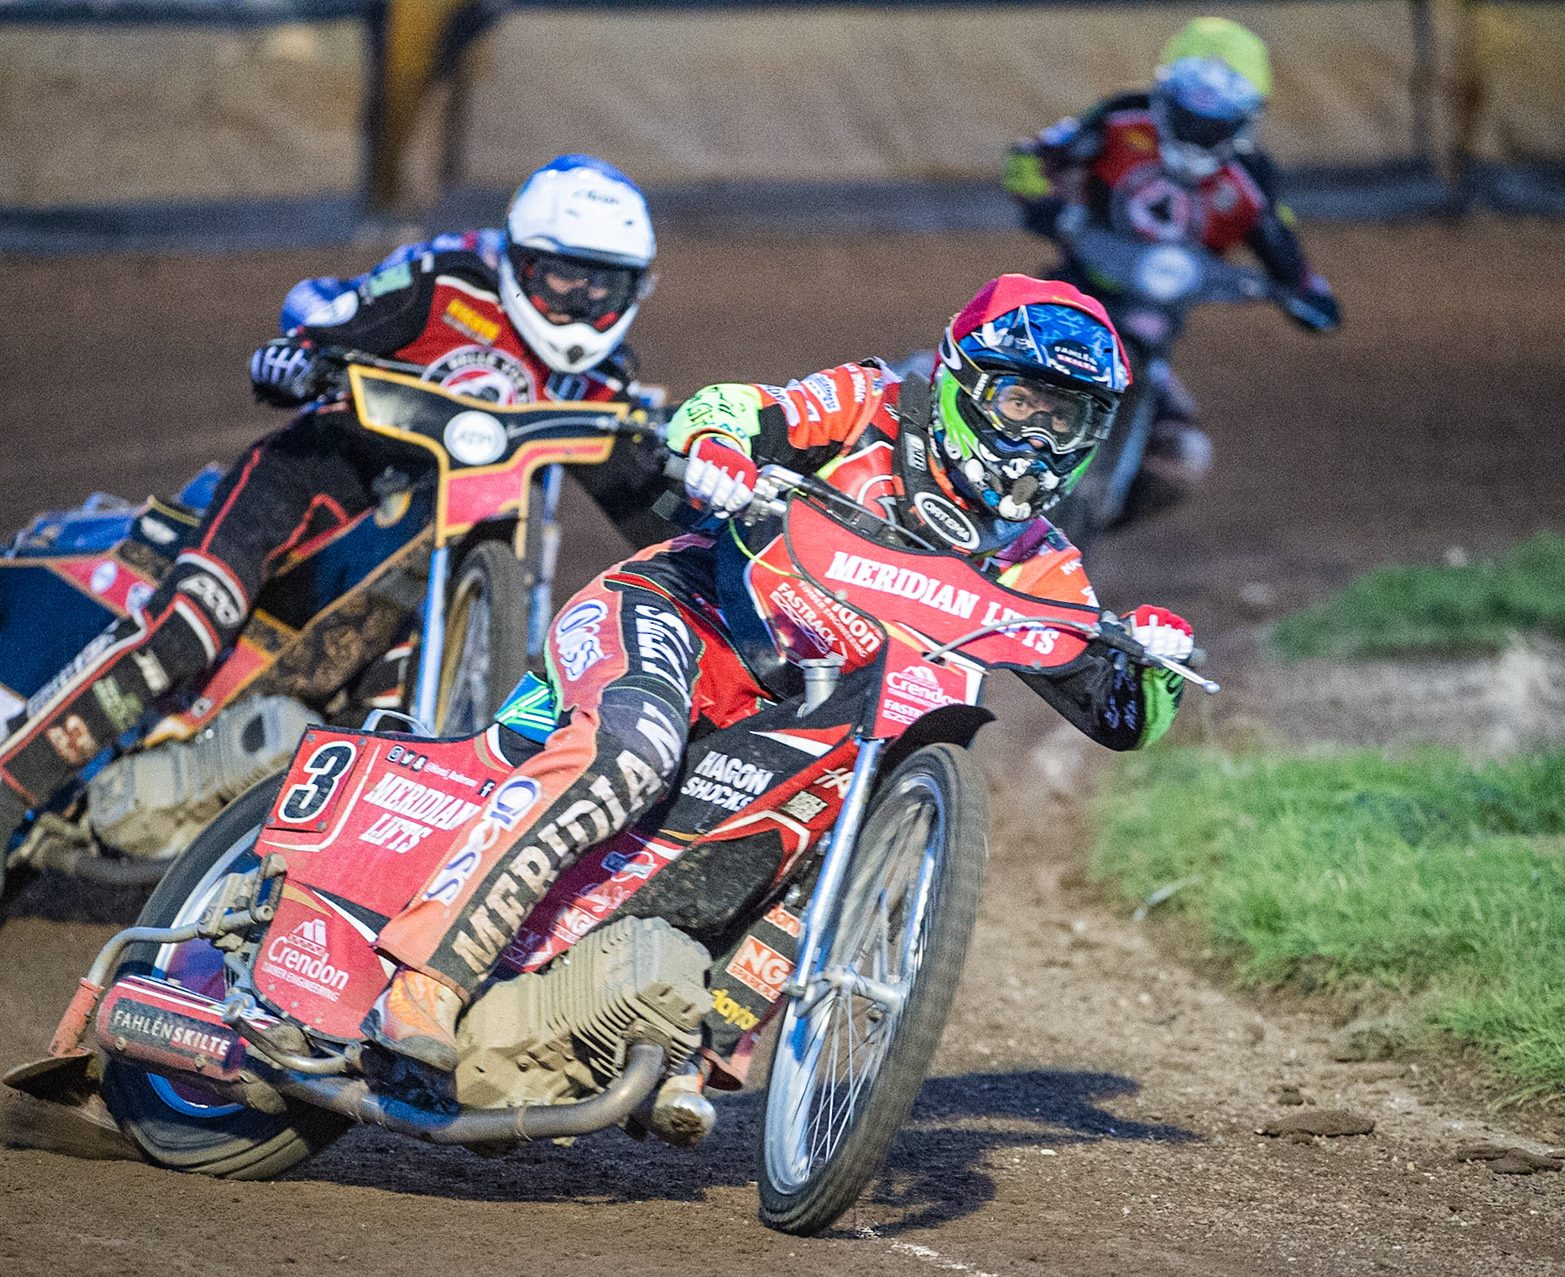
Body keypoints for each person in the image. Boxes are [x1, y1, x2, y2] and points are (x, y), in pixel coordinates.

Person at [362, 273, 1198, 1070]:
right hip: (679, 616)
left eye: (1069, 419)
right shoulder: (867, 403)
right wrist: (719, 447)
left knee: (860, 802)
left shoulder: (1038, 559)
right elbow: (730, 407)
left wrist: (1156, 660)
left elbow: (1120, 715)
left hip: (795, 721)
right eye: (1022, 404)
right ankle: (428, 977)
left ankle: (704, 1033)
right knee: (635, 748)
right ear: (964, 383)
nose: (1040, 439)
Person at [0, 155, 660, 899]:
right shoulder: (443, 284)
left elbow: (652, 509)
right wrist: (300, 357)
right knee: (193, 618)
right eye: (562, 276)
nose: (580, 300)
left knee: (378, 715)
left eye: (603, 283)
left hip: (426, 567)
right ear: (518, 260)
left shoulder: (603, 385)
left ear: (635, 289)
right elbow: (335, 320)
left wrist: (717, 515)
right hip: (314, 482)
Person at [1003, 16, 1339, 506]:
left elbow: (1286, 251)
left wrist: (1306, 293)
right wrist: (1050, 210)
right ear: (1166, 94)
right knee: (989, 379)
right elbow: (1030, 159)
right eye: (1190, 103)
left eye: (1218, 110)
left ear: (1245, 117)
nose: (1200, 121)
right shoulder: (1122, 119)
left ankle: (1074, 538)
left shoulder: (1253, 178)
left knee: (1182, 457)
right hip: (1067, 298)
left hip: (1151, 334)